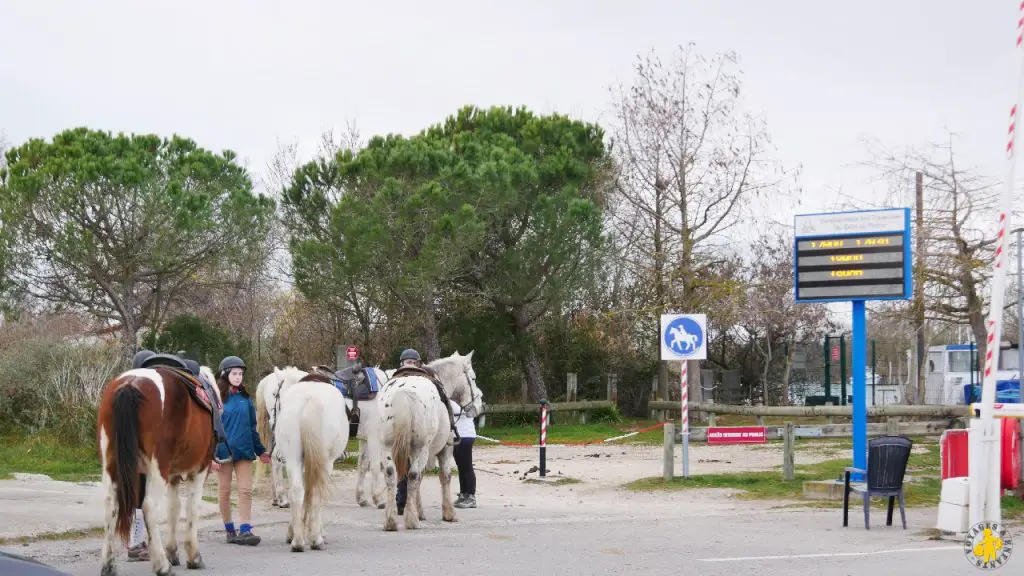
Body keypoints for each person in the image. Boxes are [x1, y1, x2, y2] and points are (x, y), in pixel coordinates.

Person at [212, 355, 270, 545]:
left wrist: (261, 451)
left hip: (245, 451)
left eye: (241, 374)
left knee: (245, 490)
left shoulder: (246, 399)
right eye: (234, 373)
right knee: (225, 491)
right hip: (223, 453)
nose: (238, 377)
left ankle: (245, 529)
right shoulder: (216, 400)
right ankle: (230, 530)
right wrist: (209, 455)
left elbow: (252, 429)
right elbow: (209, 429)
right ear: (224, 374)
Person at [392, 348, 458, 515]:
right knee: (443, 399)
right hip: (425, 428)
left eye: (411, 363)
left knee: (403, 462)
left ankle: (404, 502)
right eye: (411, 363)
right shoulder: (428, 378)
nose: (411, 365)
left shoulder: (394, 378)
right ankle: (451, 428)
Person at [127, 349, 155, 562]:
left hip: (137, 453)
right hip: (138, 454)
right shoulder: (138, 392)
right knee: (138, 500)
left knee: (140, 498)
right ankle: (135, 543)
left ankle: (139, 541)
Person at [451, 399, 477, 508]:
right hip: (456, 435)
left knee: (466, 466)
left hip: (465, 434)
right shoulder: (452, 398)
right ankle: (463, 493)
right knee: (461, 466)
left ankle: (471, 496)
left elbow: (455, 410)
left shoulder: (464, 399)